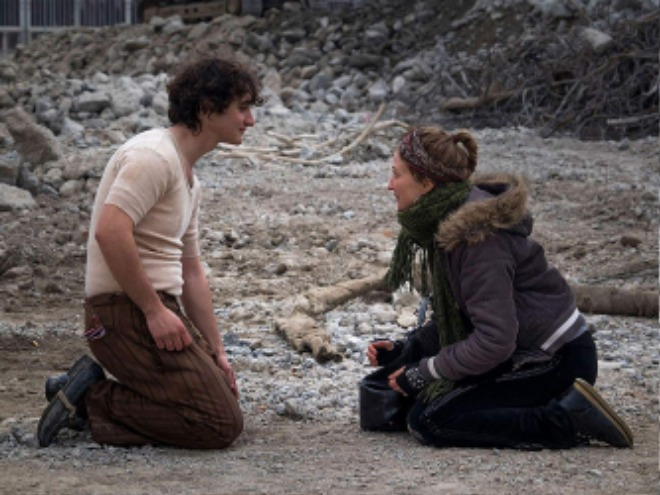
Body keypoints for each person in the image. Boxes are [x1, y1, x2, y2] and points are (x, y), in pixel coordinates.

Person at [37, 57, 262, 448]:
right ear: (207, 109)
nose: (250, 120)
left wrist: (217, 352)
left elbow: (191, 272)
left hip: (152, 306)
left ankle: (81, 388)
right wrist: (154, 311)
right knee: (218, 424)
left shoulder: (188, 178)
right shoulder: (154, 156)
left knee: (221, 400)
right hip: (122, 311)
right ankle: (87, 399)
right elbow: (110, 231)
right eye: (242, 108)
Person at [364, 126, 634, 449]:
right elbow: (461, 317)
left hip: (554, 360)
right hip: (520, 353)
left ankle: (566, 419)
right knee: (402, 398)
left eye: (396, 175)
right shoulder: (448, 222)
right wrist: (408, 350)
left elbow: (495, 339)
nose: (389, 185)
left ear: (427, 183)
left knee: (431, 420)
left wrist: (426, 371)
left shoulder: (476, 237)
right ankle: (547, 407)